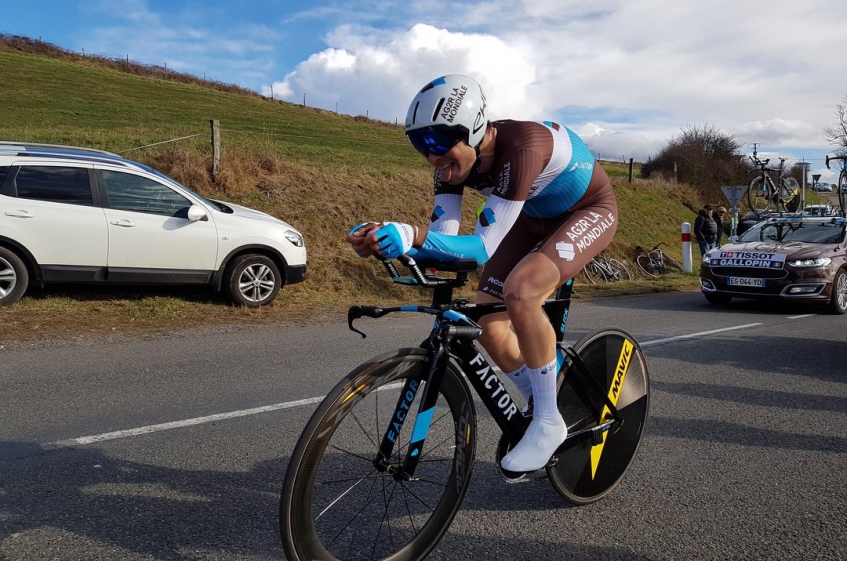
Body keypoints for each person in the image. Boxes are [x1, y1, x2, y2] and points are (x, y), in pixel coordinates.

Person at [346, 74, 618, 473]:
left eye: (438, 141)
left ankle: (548, 421)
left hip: (587, 210)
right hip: (529, 217)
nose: (431, 157)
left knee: (521, 292)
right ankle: (545, 394)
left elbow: (481, 248)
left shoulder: (522, 149)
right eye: (420, 145)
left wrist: (411, 235)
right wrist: (387, 239)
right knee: (488, 323)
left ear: (474, 129)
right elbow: (443, 244)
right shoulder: (449, 167)